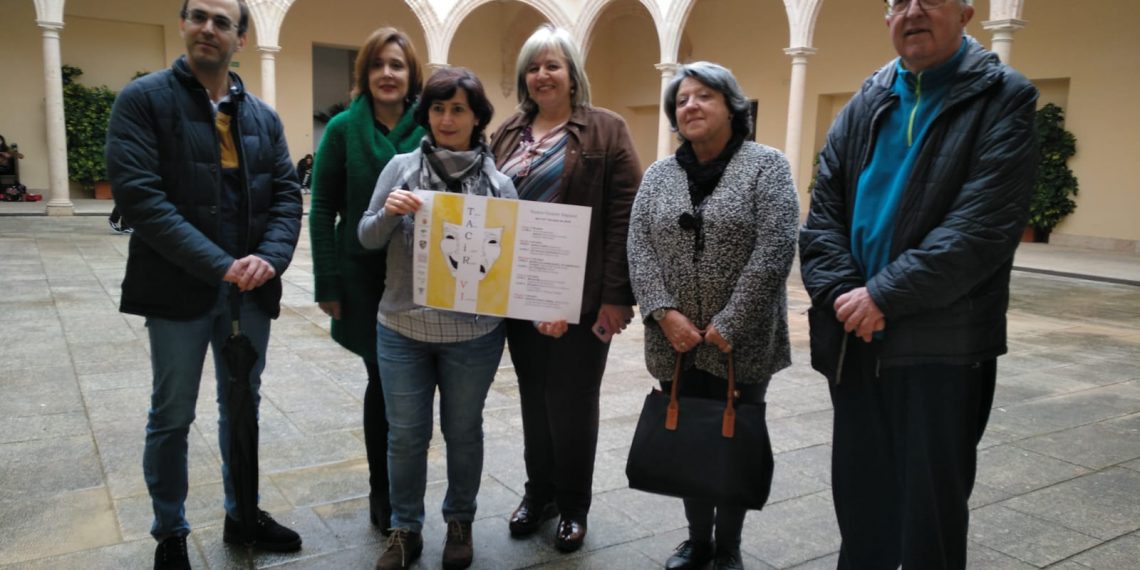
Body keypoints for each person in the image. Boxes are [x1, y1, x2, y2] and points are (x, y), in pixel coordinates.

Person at [799, 1, 1038, 568]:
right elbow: (823, 214)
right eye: (899, 2)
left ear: (966, 12)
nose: (913, 12)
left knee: (931, 517)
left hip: (942, 348)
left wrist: (883, 295)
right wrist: (845, 295)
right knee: (861, 508)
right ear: (887, 20)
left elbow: (982, 229)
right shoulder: (866, 100)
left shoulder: (1004, 97)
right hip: (856, 341)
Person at [104, 1, 304, 568]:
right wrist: (221, 263)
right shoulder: (143, 100)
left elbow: (287, 195)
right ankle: (170, 533)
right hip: (177, 288)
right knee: (172, 413)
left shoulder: (262, 118)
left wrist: (269, 259)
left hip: (250, 290)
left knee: (242, 407)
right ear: (183, 24)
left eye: (221, 22)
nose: (207, 29)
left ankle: (243, 515)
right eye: (198, 16)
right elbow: (142, 199)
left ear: (241, 39)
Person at [628, 62, 799, 570]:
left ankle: (728, 546)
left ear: (731, 105)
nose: (691, 106)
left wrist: (731, 323)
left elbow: (775, 247)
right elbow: (638, 248)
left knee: (732, 437)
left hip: (741, 341)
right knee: (688, 437)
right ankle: (697, 540)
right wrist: (664, 313)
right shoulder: (659, 176)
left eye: (704, 95)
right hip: (675, 340)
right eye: (682, 100)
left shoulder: (767, 166)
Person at [489, 24, 641, 553]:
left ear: (573, 74)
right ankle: (540, 494)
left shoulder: (607, 130)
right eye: (533, 67)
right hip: (519, 292)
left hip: (582, 297)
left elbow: (625, 217)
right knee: (534, 398)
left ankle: (574, 506)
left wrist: (616, 297)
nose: (542, 75)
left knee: (572, 403)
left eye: (552, 65)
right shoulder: (507, 132)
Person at [358, 66, 516, 570]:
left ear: (477, 118)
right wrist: (389, 214)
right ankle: (406, 528)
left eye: (458, 110)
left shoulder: (499, 185)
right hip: (402, 329)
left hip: (474, 335)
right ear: (426, 114)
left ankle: (460, 521)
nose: (447, 119)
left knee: (463, 431)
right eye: (438, 108)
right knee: (405, 435)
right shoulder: (400, 169)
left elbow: (512, 266)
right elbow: (366, 235)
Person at [307, 26, 425, 537]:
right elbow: (322, 209)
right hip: (361, 278)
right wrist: (327, 282)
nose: (387, 74)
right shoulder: (341, 130)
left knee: (416, 389)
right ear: (365, 73)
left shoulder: (431, 123)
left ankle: (407, 487)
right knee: (383, 383)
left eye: (397, 65)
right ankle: (384, 488)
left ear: (411, 74)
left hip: (422, 277)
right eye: (377, 64)